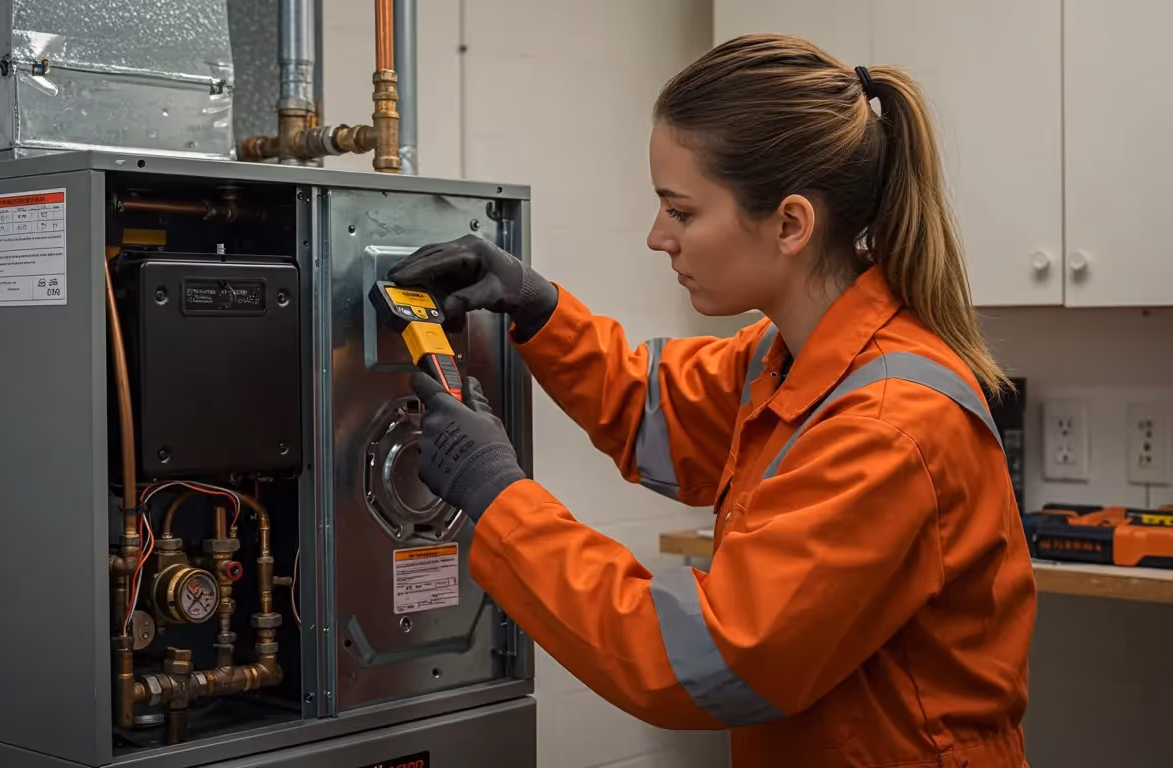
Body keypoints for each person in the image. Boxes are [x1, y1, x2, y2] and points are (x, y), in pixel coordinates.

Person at [388, 33, 1036, 768]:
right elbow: (651, 408)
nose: (656, 236)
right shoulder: (786, 355)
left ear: (791, 224)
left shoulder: (890, 426)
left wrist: (498, 496)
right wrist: (537, 308)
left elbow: (700, 656)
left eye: (683, 211)